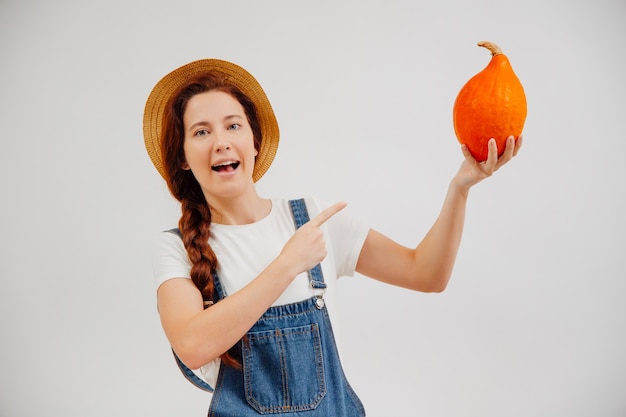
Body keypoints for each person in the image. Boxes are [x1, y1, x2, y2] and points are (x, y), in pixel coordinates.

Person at [143, 58, 521, 416]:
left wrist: (461, 187)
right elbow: (192, 346)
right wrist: (288, 264)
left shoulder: (313, 218)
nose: (221, 141)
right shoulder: (177, 248)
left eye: (233, 125)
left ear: (254, 142)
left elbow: (427, 273)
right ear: (183, 158)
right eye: (202, 132)